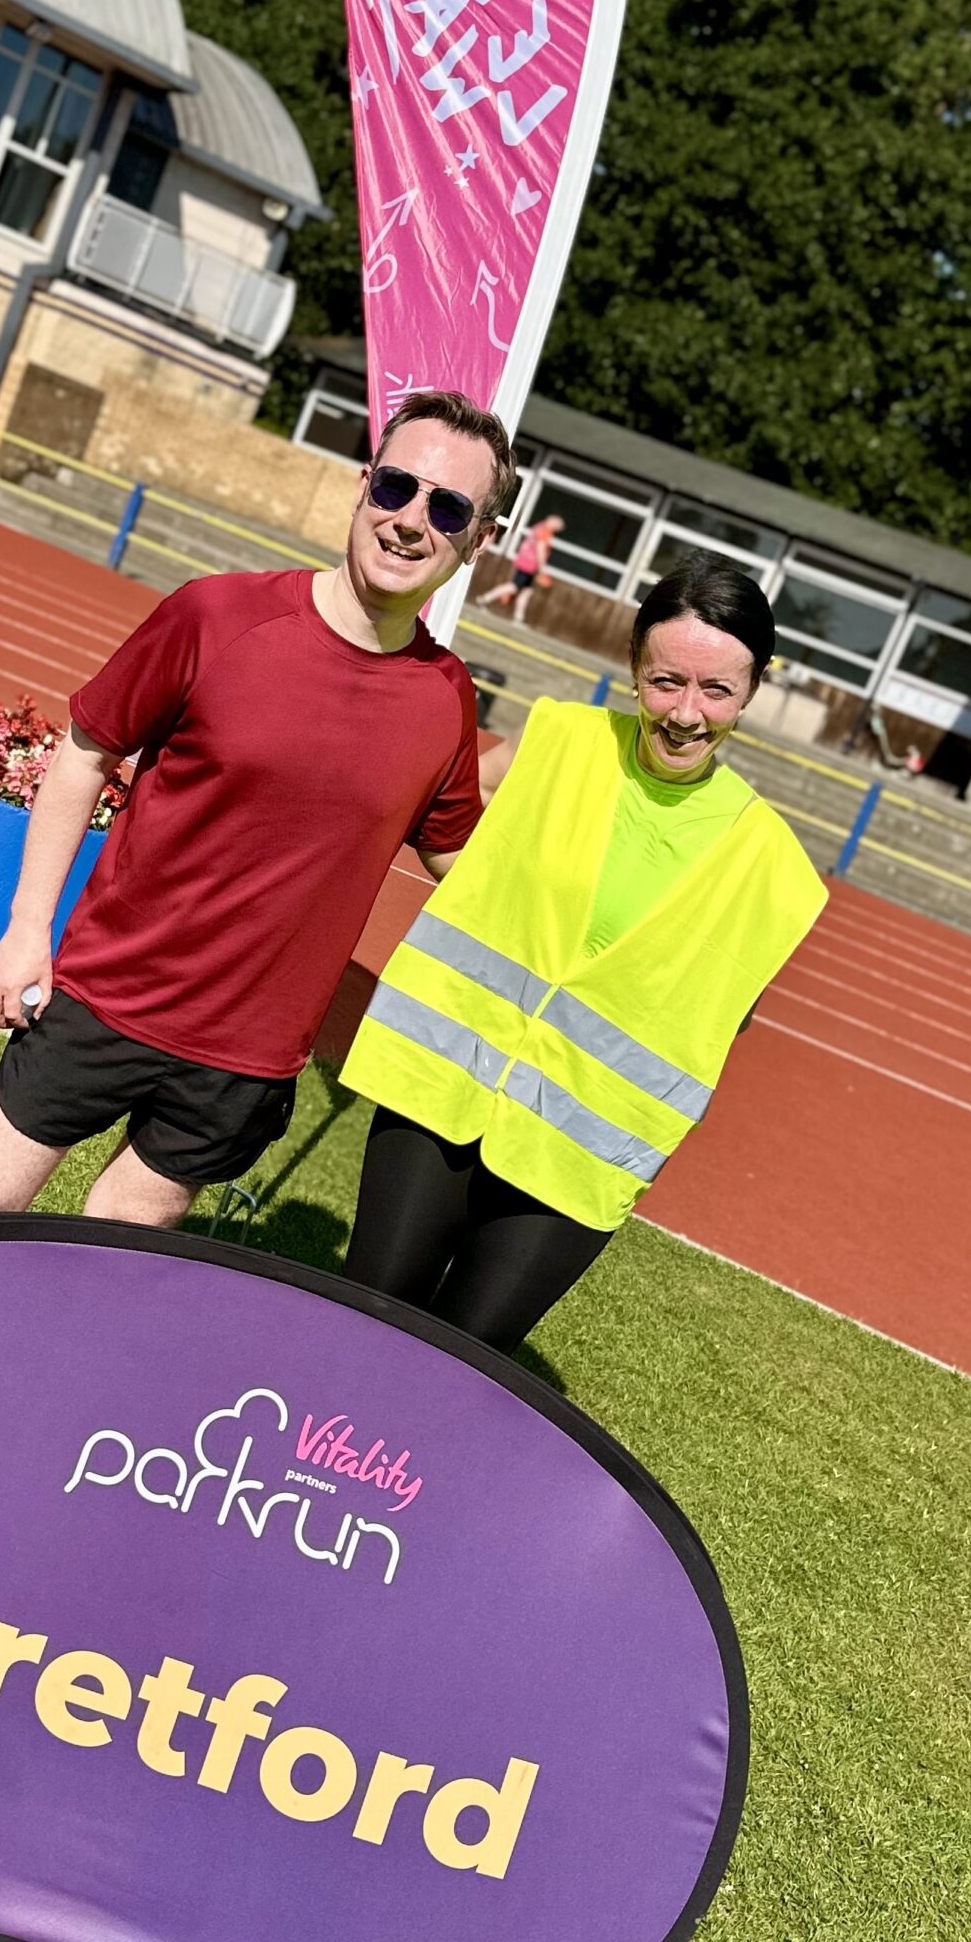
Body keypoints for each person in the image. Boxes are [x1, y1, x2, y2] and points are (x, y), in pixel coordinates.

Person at [0, 390, 516, 1229]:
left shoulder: (445, 698)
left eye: (446, 508)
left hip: (247, 1058)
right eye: (395, 487)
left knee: (111, 1265)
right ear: (362, 485)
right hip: (109, 997)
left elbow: (463, 867)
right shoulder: (217, 615)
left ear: (479, 540)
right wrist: (25, 930)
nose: (410, 520)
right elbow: (84, 754)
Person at [337, 550, 827, 1355]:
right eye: (665, 681)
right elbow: (442, 818)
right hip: (443, 1080)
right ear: (632, 666)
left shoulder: (776, 871)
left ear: (751, 692)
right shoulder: (557, 740)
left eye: (716, 690)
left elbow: (728, 1013)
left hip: (581, 1149)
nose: (685, 714)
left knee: (468, 1365)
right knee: (365, 1319)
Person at [474, 511, 563, 624]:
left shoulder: (539, 527)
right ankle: (484, 598)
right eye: (558, 527)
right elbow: (540, 549)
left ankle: (518, 618)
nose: (558, 529)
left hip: (526, 562)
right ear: (553, 523)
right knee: (514, 587)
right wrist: (542, 568)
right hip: (529, 564)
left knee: (527, 591)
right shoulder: (545, 531)